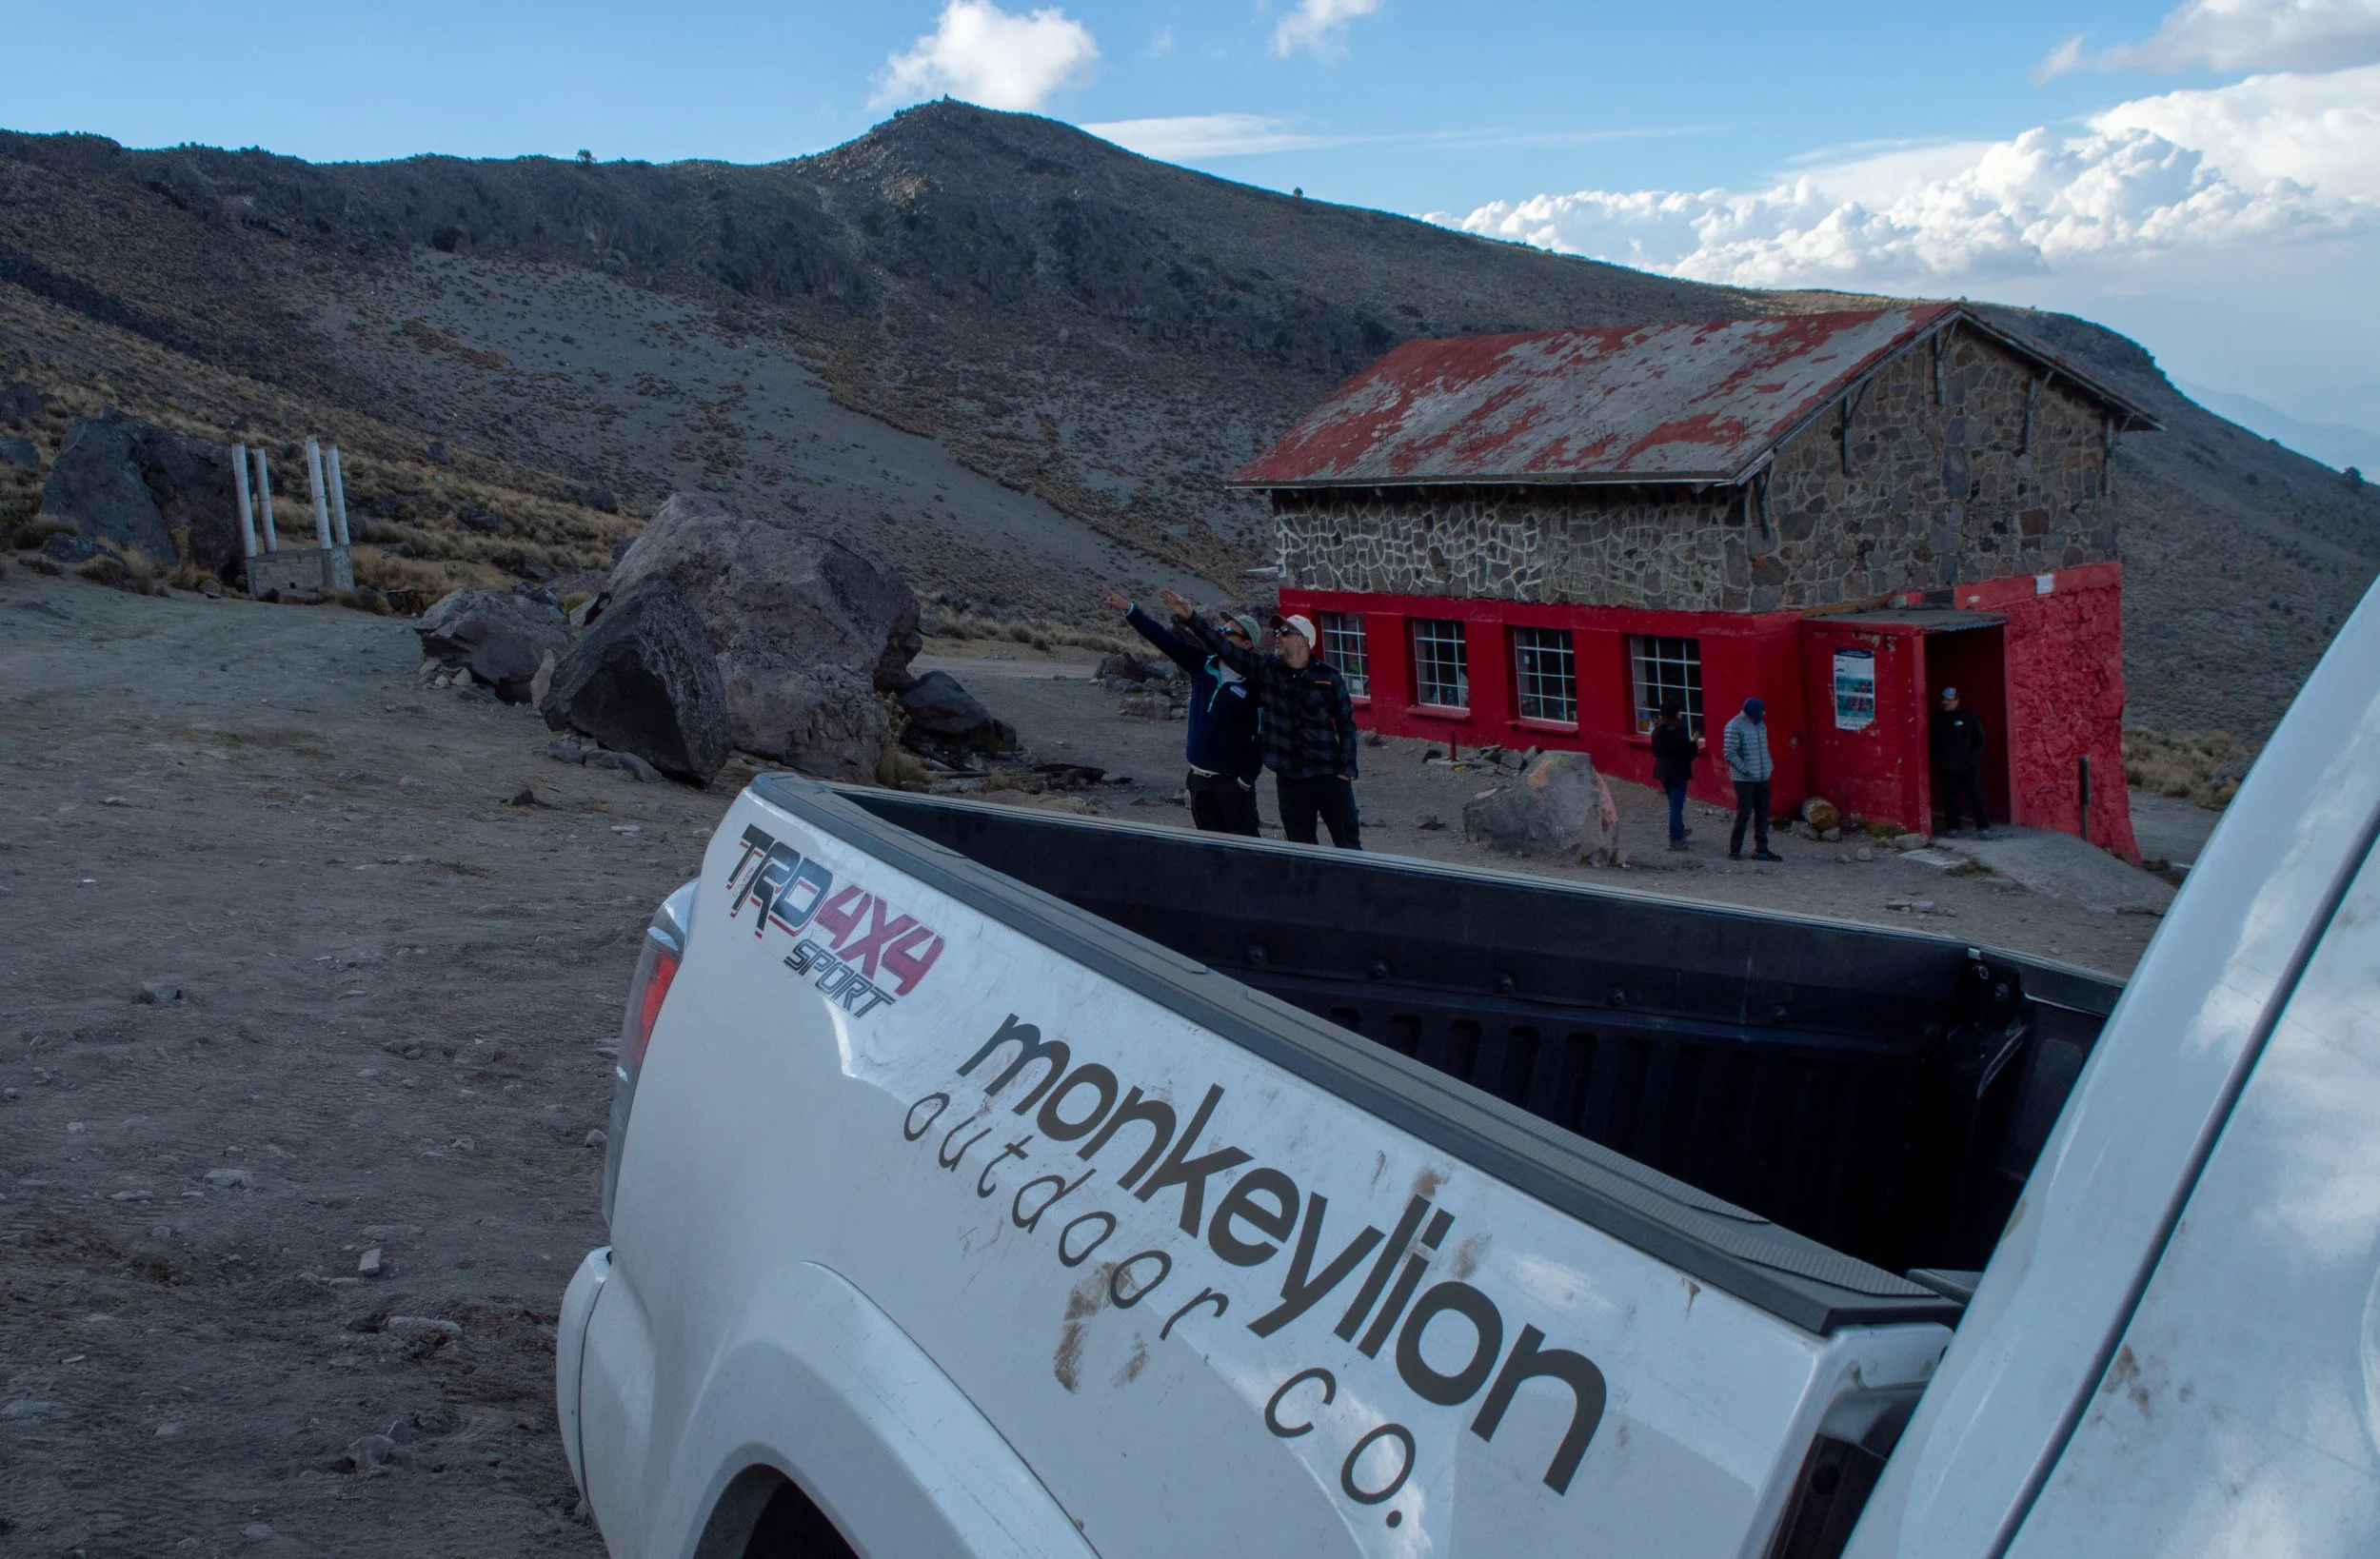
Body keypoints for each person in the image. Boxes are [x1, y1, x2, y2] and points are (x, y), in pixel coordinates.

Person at [1160, 588, 1361, 849]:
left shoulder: (1329, 677)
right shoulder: (1266, 670)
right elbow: (1222, 647)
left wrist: (1346, 771)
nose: (1278, 636)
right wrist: (1190, 617)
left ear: (1304, 641)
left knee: (1349, 846)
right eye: (1276, 632)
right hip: (1291, 781)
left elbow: (1346, 724)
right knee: (1302, 851)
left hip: (1330, 776)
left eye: (1285, 632)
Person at [1104, 585, 1262, 836]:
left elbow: (1262, 736)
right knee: (1210, 850)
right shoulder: (1202, 664)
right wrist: (1129, 609)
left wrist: (1245, 780)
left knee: (1246, 852)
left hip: (1231, 784)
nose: (1221, 633)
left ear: (1246, 643)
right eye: (1220, 629)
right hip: (1199, 780)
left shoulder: (1254, 682)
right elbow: (1163, 639)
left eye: (1228, 632)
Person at [1722, 696, 1782, 861]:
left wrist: (1768, 766)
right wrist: (1746, 770)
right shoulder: (1734, 726)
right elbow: (1730, 753)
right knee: (1745, 813)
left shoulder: (1760, 725)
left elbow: (1764, 747)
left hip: (1762, 776)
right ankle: (1735, 849)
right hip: (1744, 779)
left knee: (1762, 813)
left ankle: (1761, 849)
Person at [1931, 686, 1993, 839]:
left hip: (1968, 765)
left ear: (1957, 701)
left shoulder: (1968, 716)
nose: (1947, 702)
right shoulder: (1938, 719)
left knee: (1975, 794)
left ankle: (1983, 827)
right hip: (1948, 766)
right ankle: (1953, 827)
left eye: (1950, 700)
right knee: (1950, 797)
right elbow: (1932, 742)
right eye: (1944, 699)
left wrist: (1972, 758)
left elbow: (1980, 739)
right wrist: (1940, 760)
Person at [1650, 700, 1699, 851]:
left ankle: (1679, 829)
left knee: (1674, 802)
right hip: (1678, 770)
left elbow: (1655, 750)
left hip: (1662, 769)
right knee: (1676, 806)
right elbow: (1687, 752)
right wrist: (1694, 742)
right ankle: (1676, 838)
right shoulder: (1679, 728)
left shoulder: (1657, 729)